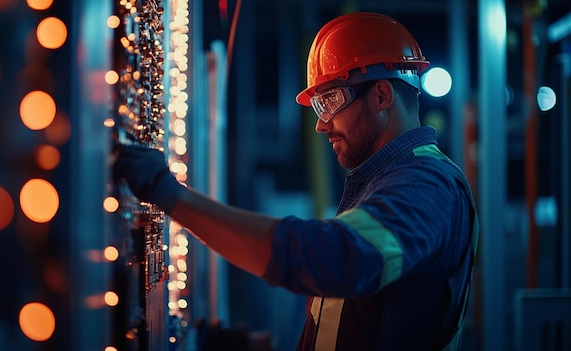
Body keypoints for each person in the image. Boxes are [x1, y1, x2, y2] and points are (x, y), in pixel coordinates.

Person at [113, 11, 479, 351]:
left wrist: (168, 194)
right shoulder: (384, 183)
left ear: (382, 95)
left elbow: (334, 258)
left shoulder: (427, 184)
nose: (321, 124)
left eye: (331, 101)